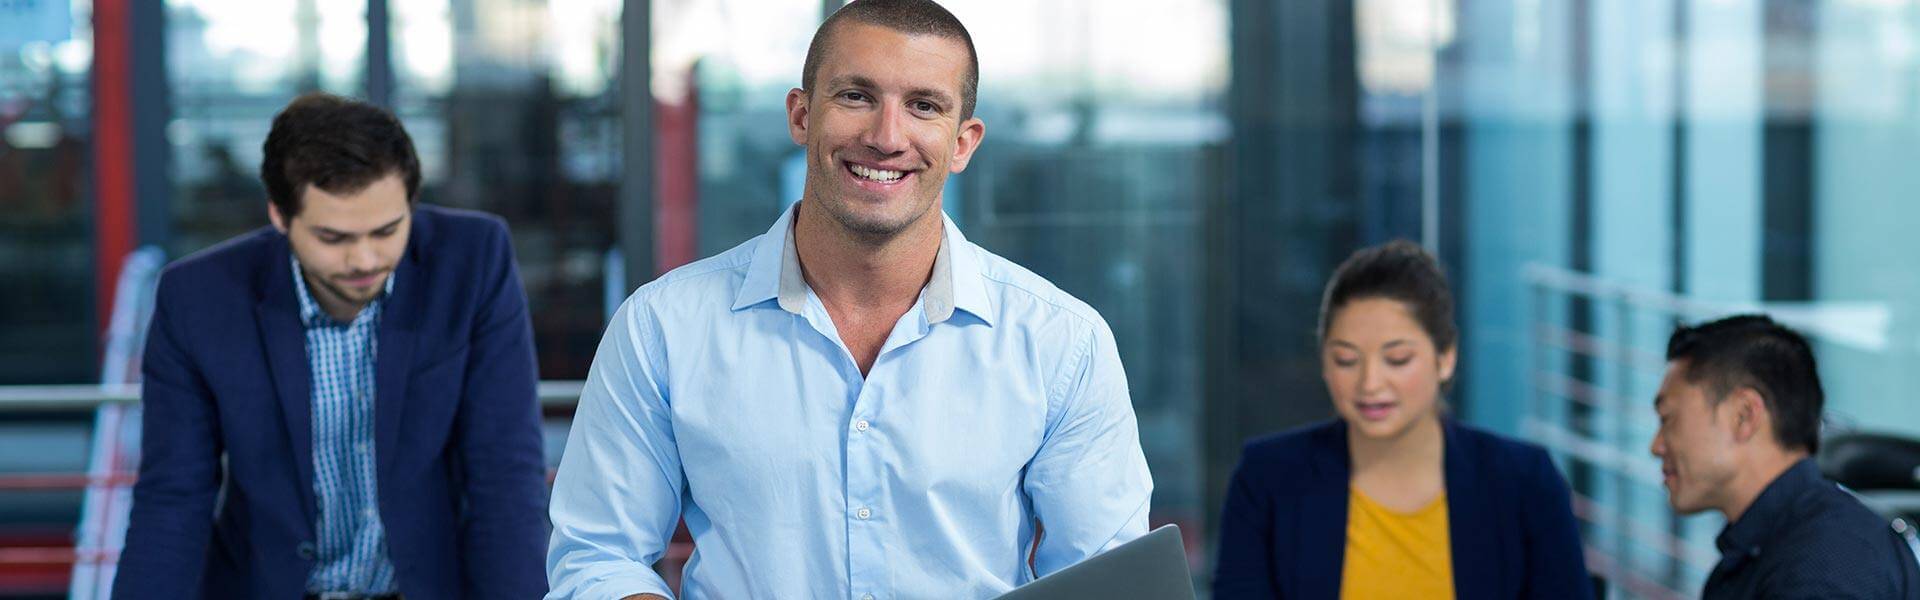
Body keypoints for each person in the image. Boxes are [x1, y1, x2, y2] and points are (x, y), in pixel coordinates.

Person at [543, 1, 1153, 598]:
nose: (887, 137)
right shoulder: (663, 327)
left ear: (963, 142)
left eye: (923, 106)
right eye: (856, 96)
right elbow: (599, 556)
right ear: (802, 115)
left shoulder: (1061, 342)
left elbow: (1111, 579)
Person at [114, 93, 549, 599]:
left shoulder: (473, 262)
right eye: (333, 237)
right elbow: (174, 498)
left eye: (387, 230)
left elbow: (504, 478)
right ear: (280, 215)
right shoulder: (198, 299)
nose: (364, 258)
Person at [1212, 240, 1592, 599]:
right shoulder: (1268, 478)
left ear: (1445, 358)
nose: (1370, 383)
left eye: (1397, 359)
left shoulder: (1525, 483)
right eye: (1346, 360)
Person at [1651, 314, 1920, 599]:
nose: (1656, 446)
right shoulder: (1774, 551)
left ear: (1744, 416)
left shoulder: (1820, 569)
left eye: (1668, 419)